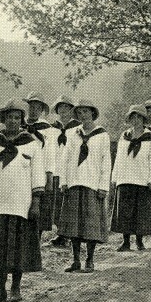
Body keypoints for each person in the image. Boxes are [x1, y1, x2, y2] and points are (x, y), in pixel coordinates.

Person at [0, 99, 44, 302]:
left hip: (19, 204)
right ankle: (0, 290)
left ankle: (16, 287)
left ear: (21, 120)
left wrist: (35, 202)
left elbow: (37, 175)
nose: (13, 121)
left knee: (17, 248)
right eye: (9, 118)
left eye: (17, 117)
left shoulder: (31, 143)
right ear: (3, 120)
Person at [58, 99, 111, 273]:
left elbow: (106, 162)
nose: (83, 116)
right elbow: (65, 159)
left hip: (92, 184)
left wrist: (103, 186)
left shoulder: (102, 135)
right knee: (74, 225)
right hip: (74, 182)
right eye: (79, 113)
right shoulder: (73, 133)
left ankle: (90, 259)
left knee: (90, 224)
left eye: (86, 112)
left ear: (92, 113)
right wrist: (64, 181)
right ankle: (75, 260)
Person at [110, 105, 151, 251]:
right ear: (130, 119)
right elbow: (118, 158)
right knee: (125, 211)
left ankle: (139, 240)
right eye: (133, 117)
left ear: (144, 119)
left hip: (142, 179)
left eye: (139, 117)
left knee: (140, 212)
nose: (136, 120)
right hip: (125, 178)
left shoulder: (150, 138)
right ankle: (125, 241)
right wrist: (115, 178)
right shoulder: (124, 136)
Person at [23, 92, 59, 239]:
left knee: (39, 204)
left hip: (40, 170)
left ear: (42, 110)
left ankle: (36, 238)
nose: (34, 110)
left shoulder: (47, 129)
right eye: (31, 106)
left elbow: (50, 153)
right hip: (22, 170)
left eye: (38, 108)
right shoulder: (20, 125)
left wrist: (49, 175)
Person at [49, 95, 80, 247]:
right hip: (56, 168)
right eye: (60, 108)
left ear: (71, 110)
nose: (63, 111)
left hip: (71, 170)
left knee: (69, 202)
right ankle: (60, 233)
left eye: (66, 108)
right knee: (57, 203)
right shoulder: (52, 128)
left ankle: (69, 235)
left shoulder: (77, 128)